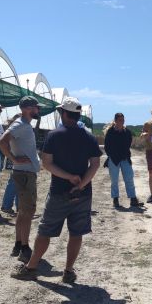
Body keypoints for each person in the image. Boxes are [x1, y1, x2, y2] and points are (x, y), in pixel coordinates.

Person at [12, 97, 102, 283]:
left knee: (45, 231)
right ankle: (68, 271)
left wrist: (68, 177)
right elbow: (94, 165)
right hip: (83, 194)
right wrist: (81, 184)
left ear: (63, 113)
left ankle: (31, 267)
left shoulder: (54, 136)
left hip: (59, 192)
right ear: (77, 115)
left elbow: (47, 163)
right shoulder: (89, 137)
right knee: (76, 233)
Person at [0, 96, 41, 262]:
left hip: (25, 173)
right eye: (36, 107)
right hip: (24, 174)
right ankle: (24, 247)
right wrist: (13, 159)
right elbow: (2, 141)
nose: (38, 110)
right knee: (28, 212)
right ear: (27, 109)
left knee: (23, 212)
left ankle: (19, 243)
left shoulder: (24, 125)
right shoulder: (20, 125)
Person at [103, 113, 139, 208]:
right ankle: (115, 199)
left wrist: (124, 154)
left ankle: (133, 198)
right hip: (113, 159)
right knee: (114, 181)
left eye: (123, 120)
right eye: (120, 120)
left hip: (125, 158)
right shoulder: (110, 132)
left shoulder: (127, 132)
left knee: (129, 178)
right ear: (115, 121)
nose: (122, 122)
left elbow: (128, 145)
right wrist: (111, 155)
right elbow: (107, 147)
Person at [0, 113, 22, 216]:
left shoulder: (13, 129)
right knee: (14, 182)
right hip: (15, 158)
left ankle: (16, 207)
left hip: (14, 157)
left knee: (17, 182)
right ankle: (8, 206)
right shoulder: (14, 130)